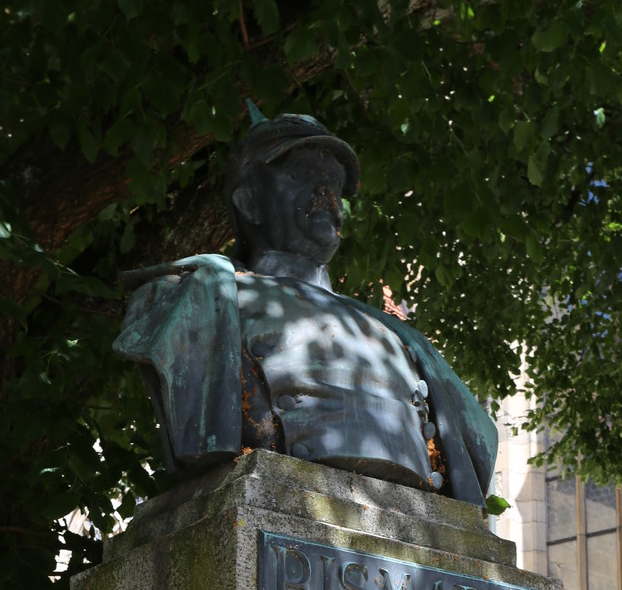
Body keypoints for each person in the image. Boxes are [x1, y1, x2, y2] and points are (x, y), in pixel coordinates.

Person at [114, 106, 497, 505]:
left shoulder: (400, 335)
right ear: (249, 202)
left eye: (334, 183)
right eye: (301, 176)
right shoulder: (194, 296)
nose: (325, 194)